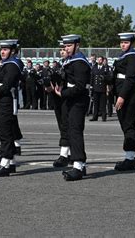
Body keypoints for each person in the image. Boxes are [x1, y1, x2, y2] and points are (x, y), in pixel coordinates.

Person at [53, 34, 90, 181]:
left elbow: (81, 87)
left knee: (75, 132)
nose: (66, 48)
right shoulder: (70, 61)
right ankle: (80, 164)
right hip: (71, 99)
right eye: (65, 46)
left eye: (69, 45)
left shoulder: (80, 62)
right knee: (70, 130)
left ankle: (78, 166)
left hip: (78, 100)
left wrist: (63, 93)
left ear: (77, 45)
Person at [0, 39, 24, 177]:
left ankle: (5, 164)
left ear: (13, 51)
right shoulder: (6, 64)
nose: (2, 51)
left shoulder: (12, 65)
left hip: (6, 100)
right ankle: (11, 162)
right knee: (8, 132)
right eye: (1, 49)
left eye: (6, 49)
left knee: (6, 133)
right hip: (1, 99)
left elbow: (6, 85)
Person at [112, 32, 135, 171]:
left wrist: (122, 96)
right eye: (122, 42)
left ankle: (129, 158)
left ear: (132, 43)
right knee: (125, 125)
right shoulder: (123, 56)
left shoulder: (133, 57)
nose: (123, 45)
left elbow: (129, 78)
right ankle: (133, 156)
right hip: (120, 92)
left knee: (128, 125)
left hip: (128, 95)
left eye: (126, 42)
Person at [52, 40, 70, 167]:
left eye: (65, 49)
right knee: (62, 125)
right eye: (61, 50)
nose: (63, 52)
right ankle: (67, 153)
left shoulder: (72, 64)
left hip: (68, 97)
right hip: (58, 97)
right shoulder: (61, 65)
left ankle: (64, 154)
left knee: (66, 126)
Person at [89, 56, 110, 122]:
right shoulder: (94, 67)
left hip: (102, 88)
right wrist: (91, 85)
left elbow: (109, 78)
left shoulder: (105, 68)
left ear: (103, 60)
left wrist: (104, 77)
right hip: (95, 88)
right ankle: (95, 117)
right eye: (98, 59)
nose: (99, 61)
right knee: (96, 104)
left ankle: (104, 117)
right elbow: (92, 77)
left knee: (103, 104)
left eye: (101, 60)